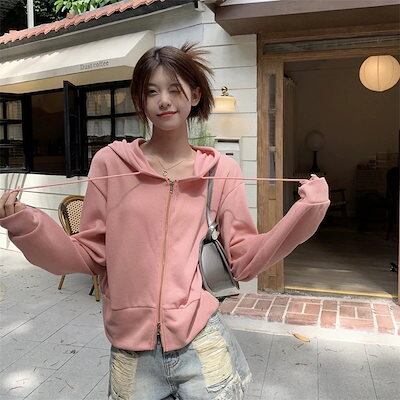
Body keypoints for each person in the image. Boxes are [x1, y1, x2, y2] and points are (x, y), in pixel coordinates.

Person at [0, 43, 330, 399]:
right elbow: (89, 253)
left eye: (175, 89)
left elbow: (243, 259)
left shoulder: (221, 170)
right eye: (151, 91)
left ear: (195, 94)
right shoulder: (110, 163)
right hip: (131, 351)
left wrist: (304, 214)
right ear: (140, 101)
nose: (164, 101)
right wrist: (27, 225)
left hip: (202, 343)